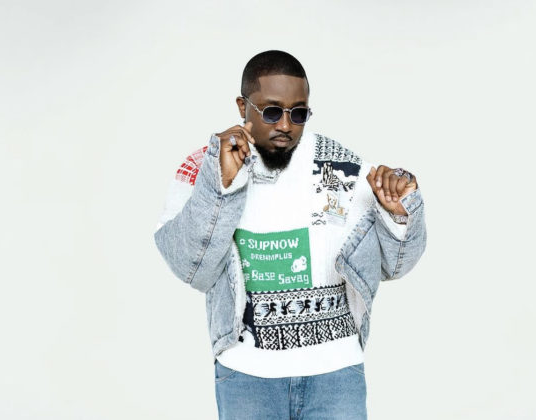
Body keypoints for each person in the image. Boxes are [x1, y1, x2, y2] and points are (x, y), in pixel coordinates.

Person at [154, 50, 427, 420]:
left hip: (336, 374)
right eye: (271, 112)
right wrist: (221, 186)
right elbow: (191, 266)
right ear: (243, 106)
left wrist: (398, 214)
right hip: (246, 375)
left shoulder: (340, 167)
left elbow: (393, 266)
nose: (285, 125)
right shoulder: (205, 165)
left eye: (298, 113)